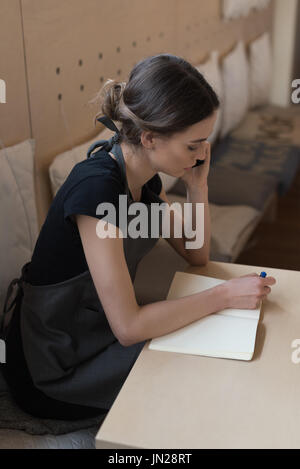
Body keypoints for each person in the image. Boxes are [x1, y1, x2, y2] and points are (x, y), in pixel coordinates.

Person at [1, 53, 276, 420]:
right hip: (58, 365)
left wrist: (198, 186)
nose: (201, 154)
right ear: (149, 138)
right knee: (208, 384)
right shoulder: (97, 189)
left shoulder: (144, 180)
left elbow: (195, 253)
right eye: (193, 145)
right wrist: (224, 294)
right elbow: (129, 328)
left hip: (98, 331)